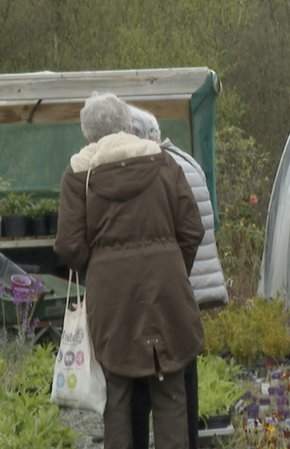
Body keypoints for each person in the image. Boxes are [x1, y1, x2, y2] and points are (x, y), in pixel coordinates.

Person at [54, 92, 206, 449]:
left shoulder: (78, 175)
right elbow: (191, 229)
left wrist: (101, 270)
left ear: (88, 136)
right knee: (171, 389)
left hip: (111, 298)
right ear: (127, 125)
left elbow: (69, 245)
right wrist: (172, 267)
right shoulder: (164, 163)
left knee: (118, 394)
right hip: (167, 287)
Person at [128, 105, 230, 449]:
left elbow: (186, 232)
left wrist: (170, 276)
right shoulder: (184, 161)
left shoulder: (164, 168)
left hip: (180, 286)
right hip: (191, 284)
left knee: (170, 376)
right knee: (183, 373)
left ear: (140, 136)